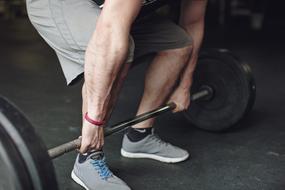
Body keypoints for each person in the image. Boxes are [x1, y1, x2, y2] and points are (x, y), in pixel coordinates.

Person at [26, 0, 207, 189]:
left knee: (179, 43)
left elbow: (193, 23)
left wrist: (185, 86)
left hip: (111, 7)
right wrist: (94, 122)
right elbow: (110, 32)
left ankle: (139, 135)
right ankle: (88, 158)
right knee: (119, 48)